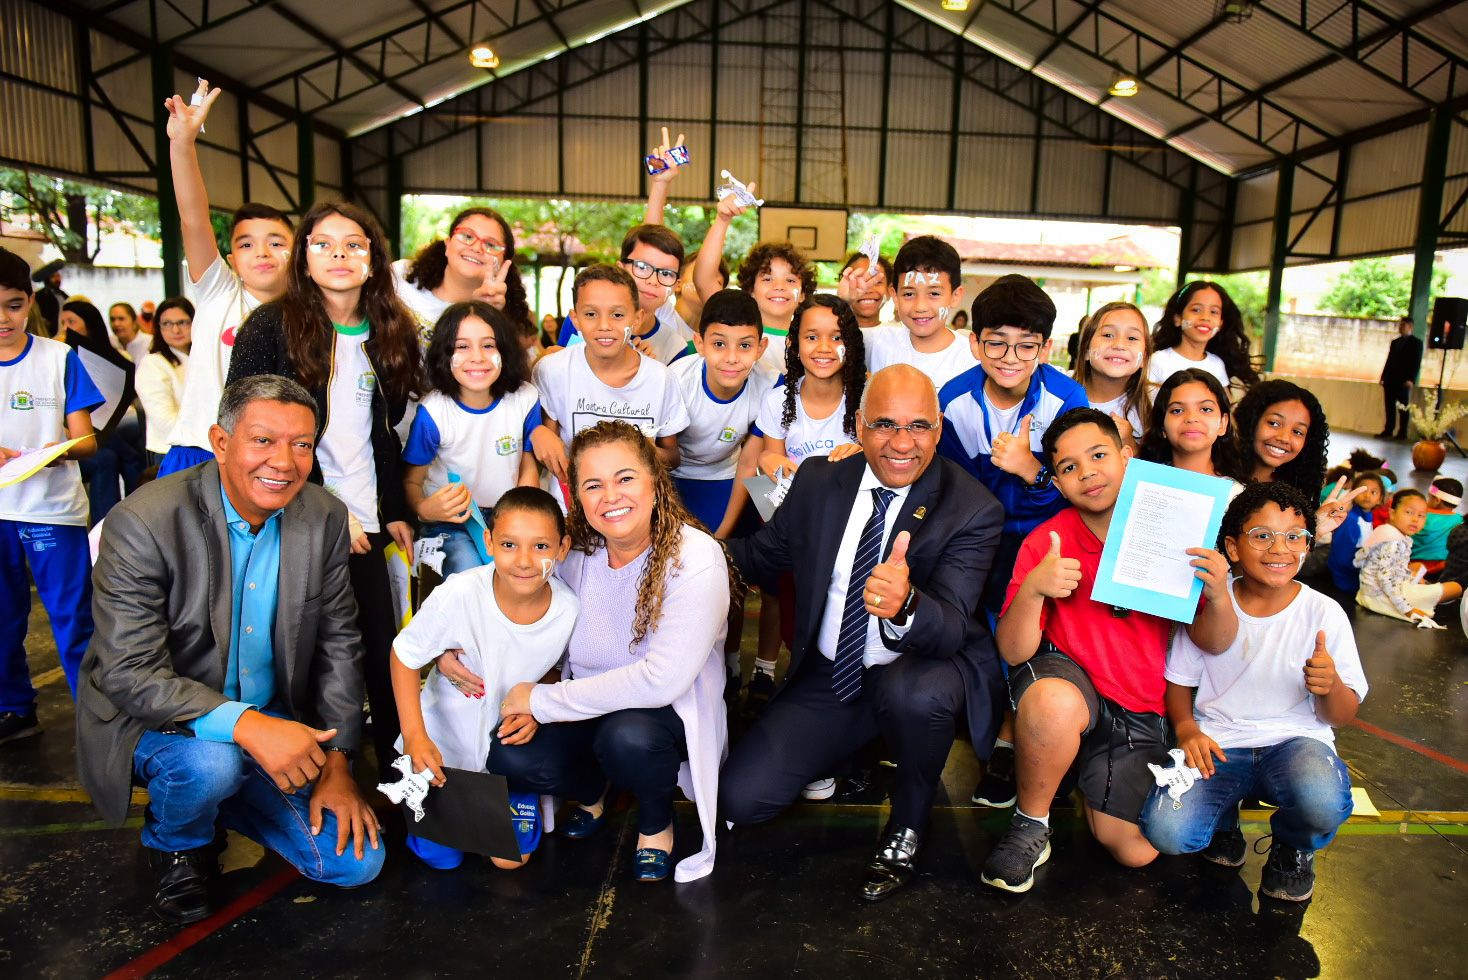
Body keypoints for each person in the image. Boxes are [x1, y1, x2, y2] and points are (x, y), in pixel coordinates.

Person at [76, 375, 384, 925]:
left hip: (272, 719)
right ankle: (180, 842)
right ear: (221, 443)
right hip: (157, 721)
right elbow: (128, 672)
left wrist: (338, 764)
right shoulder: (143, 521)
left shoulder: (325, 517)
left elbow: (341, 644)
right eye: (262, 440)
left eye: (302, 444)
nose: (284, 462)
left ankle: (229, 794)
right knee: (211, 764)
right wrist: (247, 727)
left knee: (354, 864)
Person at [719, 364, 1005, 901]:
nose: (902, 443)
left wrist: (907, 605)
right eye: (884, 425)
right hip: (834, 673)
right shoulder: (819, 480)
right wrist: (680, 551)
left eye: (918, 426)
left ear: (939, 429)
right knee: (742, 799)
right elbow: (760, 558)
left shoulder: (973, 508)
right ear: (858, 425)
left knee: (911, 695)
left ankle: (910, 819)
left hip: (918, 670)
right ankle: (854, 742)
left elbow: (949, 631)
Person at [446, 421, 736, 883]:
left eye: (625, 478)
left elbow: (661, 680)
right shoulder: (577, 551)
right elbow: (508, 588)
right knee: (510, 753)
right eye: (593, 485)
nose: (611, 496)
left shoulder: (695, 558)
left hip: (660, 713)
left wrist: (539, 701)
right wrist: (452, 642)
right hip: (582, 703)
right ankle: (592, 788)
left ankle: (656, 822)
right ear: (577, 496)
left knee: (627, 739)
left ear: (655, 482)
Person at [982, 409, 1235, 893]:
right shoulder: (1047, 540)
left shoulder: (1175, 531)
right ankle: (1031, 821)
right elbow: (1015, 652)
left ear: (1127, 456)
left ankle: (1073, 769)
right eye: (1069, 467)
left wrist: (1220, 594)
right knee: (1051, 704)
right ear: (1055, 481)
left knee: (1136, 851)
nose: (1087, 472)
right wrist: (1035, 590)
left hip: (1139, 706)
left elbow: (1215, 641)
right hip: (1071, 686)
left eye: (1098, 455)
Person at [227, 201, 422, 768]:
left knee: (384, 655)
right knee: (305, 659)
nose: (339, 254)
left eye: (354, 244)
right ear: (304, 259)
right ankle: (303, 777)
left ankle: (397, 782)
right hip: (297, 516)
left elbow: (382, 432)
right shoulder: (270, 326)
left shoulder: (390, 330)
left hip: (368, 521)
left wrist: (390, 510)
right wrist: (330, 511)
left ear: (373, 260)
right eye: (323, 243)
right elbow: (256, 434)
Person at [1141, 481, 1365, 904]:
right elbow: (1179, 681)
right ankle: (1223, 820)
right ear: (1232, 547)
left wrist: (1330, 685)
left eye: (1294, 537)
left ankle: (1292, 847)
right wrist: (1187, 729)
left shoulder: (1324, 612)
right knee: (1167, 833)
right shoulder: (1209, 603)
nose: (1280, 548)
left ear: (1307, 545)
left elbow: (1342, 715)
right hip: (1219, 744)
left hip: (1296, 743)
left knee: (1321, 803)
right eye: (1262, 535)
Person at [936, 273, 1089, 810]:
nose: (1010, 356)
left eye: (1026, 346)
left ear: (1046, 348)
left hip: (1048, 543)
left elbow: (1080, 488)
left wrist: (1033, 471)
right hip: (979, 543)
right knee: (981, 646)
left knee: (1043, 645)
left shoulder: (1068, 399)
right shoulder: (951, 403)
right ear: (974, 342)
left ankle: (1023, 741)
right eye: (996, 342)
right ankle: (996, 739)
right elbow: (951, 494)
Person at [389, 487, 578, 870]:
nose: (524, 561)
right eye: (509, 544)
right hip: (443, 748)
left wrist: (538, 707)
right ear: (489, 541)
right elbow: (404, 656)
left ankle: (518, 792)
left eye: (541, 547)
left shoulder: (568, 609)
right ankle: (434, 807)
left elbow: (559, 670)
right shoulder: (460, 593)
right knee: (443, 860)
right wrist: (414, 735)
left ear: (562, 548)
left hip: (508, 751)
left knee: (511, 861)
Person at [158, 81, 294, 477]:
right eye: (248, 245)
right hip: (198, 451)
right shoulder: (219, 290)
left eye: (276, 242)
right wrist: (182, 144)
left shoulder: (308, 315)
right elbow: (193, 216)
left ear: (297, 253)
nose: (263, 253)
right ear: (232, 260)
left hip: (268, 462)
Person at [0, 248, 101, 742]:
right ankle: (15, 707)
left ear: (31, 302)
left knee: (73, 618)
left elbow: (87, 440)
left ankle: (96, 717)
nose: (3, 318)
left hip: (51, 512)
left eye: (14, 305)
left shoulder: (59, 359)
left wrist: (50, 451)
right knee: (3, 619)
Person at [746, 295, 867, 703]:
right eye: (811, 336)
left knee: (825, 597)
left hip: (840, 523)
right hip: (786, 511)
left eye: (836, 337)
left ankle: (818, 671)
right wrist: (778, 461)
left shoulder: (863, 399)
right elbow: (766, 454)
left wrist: (860, 453)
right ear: (795, 344)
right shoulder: (780, 399)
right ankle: (764, 669)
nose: (823, 347)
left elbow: (878, 457)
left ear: (852, 343)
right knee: (777, 591)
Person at [402, 301, 543, 577]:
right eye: (462, 346)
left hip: (508, 516)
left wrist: (524, 509)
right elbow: (411, 480)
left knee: (518, 575)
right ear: (445, 354)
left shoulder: (524, 399)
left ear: (505, 350)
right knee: (471, 573)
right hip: (451, 522)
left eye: (488, 345)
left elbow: (528, 462)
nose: (477, 357)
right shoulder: (434, 412)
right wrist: (424, 508)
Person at [530, 265, 690, 490]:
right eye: (590, 314)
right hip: (570, 509)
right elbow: (547, 448)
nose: (604, 326)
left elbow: (672, 459)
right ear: (575, 319)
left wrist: (635, 448)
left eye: (617, 315)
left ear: (636, 319)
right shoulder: (553, 371)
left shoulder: (661, 379)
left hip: (635, 509)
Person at [669, 289, 774, 537]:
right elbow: (662, 458)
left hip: (729, 474)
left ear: (761, 348)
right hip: (675, 476)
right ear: (699, 344)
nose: (732, 358)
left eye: (745, 345)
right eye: (719, 344)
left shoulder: (772, 384)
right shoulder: (675, 380)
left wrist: (723, 536)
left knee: (770, 514)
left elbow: (749, 462)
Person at [694, 182, 814, 374]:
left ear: (803, 294)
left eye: (790, 280)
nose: (779, 286)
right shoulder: (734, 325)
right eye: (767, 279)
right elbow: (703, 280)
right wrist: (723, 220)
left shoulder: (810, 343)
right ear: (750, 289)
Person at [394, 206, 532, 345]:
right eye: (467, 236)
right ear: (447, 244)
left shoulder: (502, 325)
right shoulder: (399, 275)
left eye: (490, 245)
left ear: (503, 264)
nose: (476, 248)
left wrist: (484, 315)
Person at [861, 236, 978, 393]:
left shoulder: (972, 358)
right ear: (895, 296)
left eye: (934, 293)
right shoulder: (876, 342)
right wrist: (845, 298)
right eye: (909, 294)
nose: (920, 306)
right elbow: (827, 335)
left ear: (955, 296)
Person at [60, 299, 141, 521]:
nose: (65, 327)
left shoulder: (112, 356)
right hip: (73, 437)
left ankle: (125, 519)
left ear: (89, 325)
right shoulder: (58, 355)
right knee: (117, 456)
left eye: (71, 322)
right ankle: (114, 523)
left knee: (127, 446)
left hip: (104, 426)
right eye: (62, 322)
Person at [1356, 488, 1464, 622]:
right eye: (1409, 512)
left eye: (1421, 515)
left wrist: (1408, 575)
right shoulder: (1394, 541)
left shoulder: (1387, 530)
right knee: (1455, 588)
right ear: (1392, 513)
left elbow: (1371, 563)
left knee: (1418, 568)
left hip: (1370, 592)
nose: (1415, 519)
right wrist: (1407, 610)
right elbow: (1386, 580)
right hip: (1379, 598)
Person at [1138, 368, 1246, 488]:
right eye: (1177, 410)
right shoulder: (1142, 483)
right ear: (1162, 427)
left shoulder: (1236, 494)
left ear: (1223, 424)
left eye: (1206, 409)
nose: (1191, 418)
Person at [1148, 281, 1260, 393]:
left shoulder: (1217, 364)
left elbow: (1225, 408)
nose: (1206, 317)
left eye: (1214, 312)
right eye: (1196, 310)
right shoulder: (1158, 361)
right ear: (1178, 319)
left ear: (1221, 323)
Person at [1072, 301, 1152, 451]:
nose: (1119, 345)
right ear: (1086, 351)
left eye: (1132, 338)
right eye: (1108, 335)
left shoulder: (1154, 403)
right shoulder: (1057, 391)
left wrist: (1129, 443)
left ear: (1145, 358)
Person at [134, 296, 193, 465]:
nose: (175, 330)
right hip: (171, 452)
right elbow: (165, 422)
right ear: (158, 328)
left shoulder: (200, 359)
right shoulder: (153, 363)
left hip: (202, 447)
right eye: (167, 323)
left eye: (182, 322)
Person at [1326, 471, 1385, 596]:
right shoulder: (1351, 520)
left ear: (1380, 499)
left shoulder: (1368, 517)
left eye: (1373, 492)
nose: (1367, 496)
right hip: (1346, 577)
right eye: (1363, 490)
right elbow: (1342, 557)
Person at [1378, 316, 1422, 440]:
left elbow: (1416, 362)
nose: (1400, 327)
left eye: (1403, 325)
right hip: (1390, 379)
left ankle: (1402, 432)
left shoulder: (1416, 343)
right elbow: (1389, 360)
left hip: (1403, 381)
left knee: (1403, 407)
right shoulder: (1395, 342)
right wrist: (1383, 376)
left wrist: (1411, 379)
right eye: (1400, 325)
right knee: (1389, 406)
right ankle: (1388, 430)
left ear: (1410, 327)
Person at [1410, 476, 1463, 575]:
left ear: (1437, 500)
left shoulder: (1421, 515)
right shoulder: (1459, 520)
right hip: (1442, 567)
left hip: (1414, 564)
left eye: (1429, 497)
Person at [835, 250, 894, 329]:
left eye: (877, 282)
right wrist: (842, 302)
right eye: (858, 281)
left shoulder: (899, 335)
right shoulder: (830, 333)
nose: (867, 289)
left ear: (889, 291)